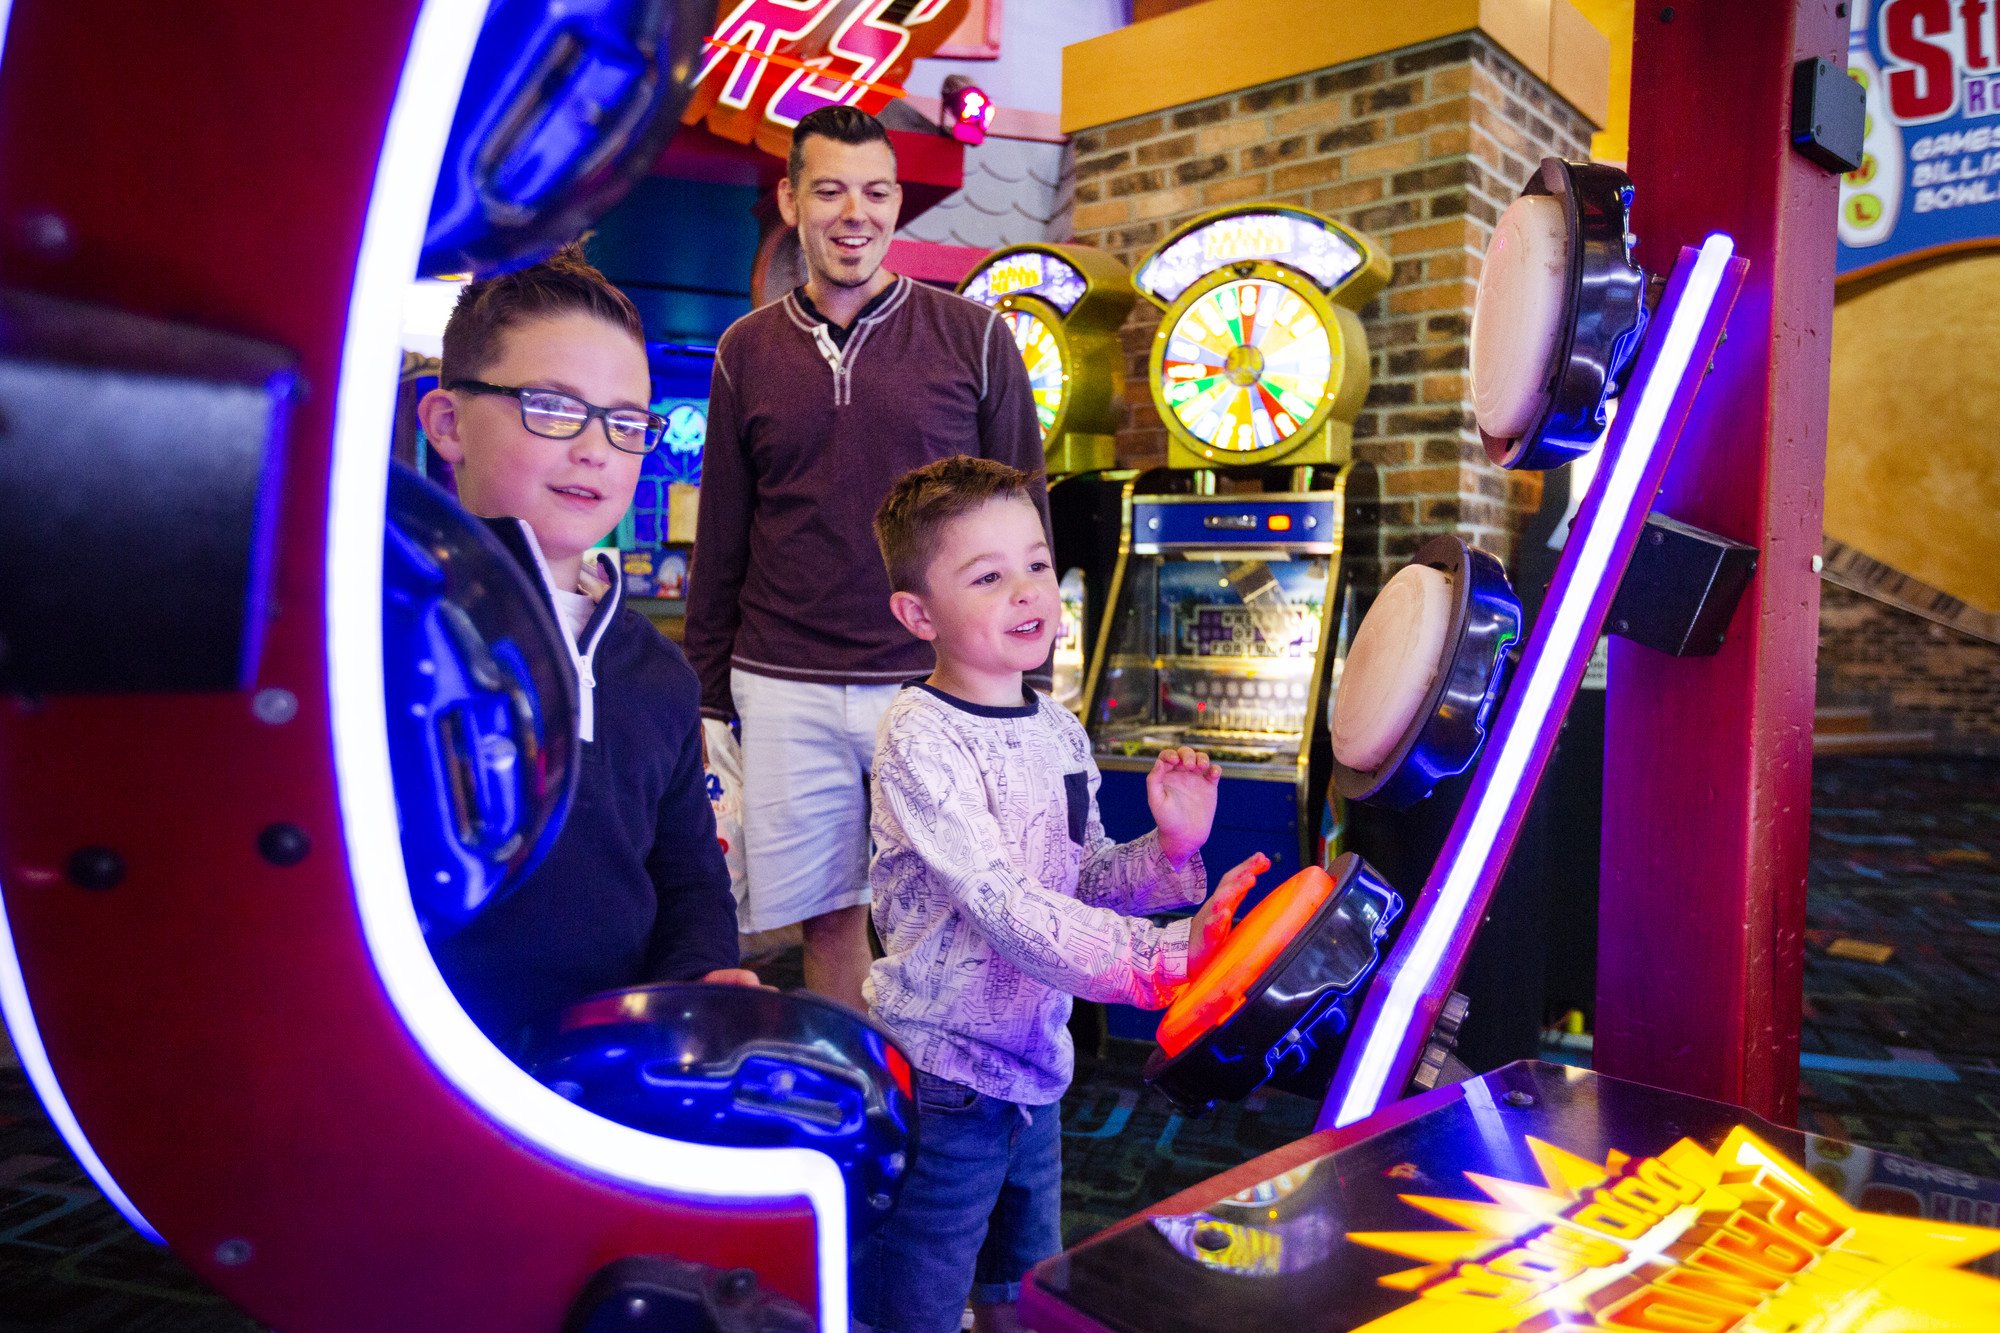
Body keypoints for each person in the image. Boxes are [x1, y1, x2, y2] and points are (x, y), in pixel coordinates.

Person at [857, 457, 1265, 1333]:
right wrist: (1165, 957)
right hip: (943, 1076)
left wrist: (1170, 848)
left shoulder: (1059, 727)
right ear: (917, 613)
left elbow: (1079, 880)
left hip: (1036, 1070)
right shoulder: (918, 738)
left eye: (1036, 563)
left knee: (1024, 1283)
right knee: (916, 1298)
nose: (1026, 589)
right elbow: (1002, 902)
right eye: (988, 574)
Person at [685, 105, 1048, 1012]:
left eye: (877, 191)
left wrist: (1028, 665)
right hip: (783, 678)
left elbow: (1026, 519)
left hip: (936, 685)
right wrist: (705, 691)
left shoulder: (976, 338)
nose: (857, 212)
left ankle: (950, 1111)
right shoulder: (745, 350)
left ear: (897, 203)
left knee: (963, 907)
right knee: (828, 918)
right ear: (793, 200)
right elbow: (723, 534)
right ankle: (862, 1109)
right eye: (832, 189)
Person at [416, 244, 757, 1058]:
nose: (598, 449)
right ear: (449, 423)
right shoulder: (386, 630)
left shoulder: (659, 673)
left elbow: (688, 881)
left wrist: (707, 974)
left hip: (604, 1070)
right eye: (554, 407)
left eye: (627, 421)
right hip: (414, 1070)